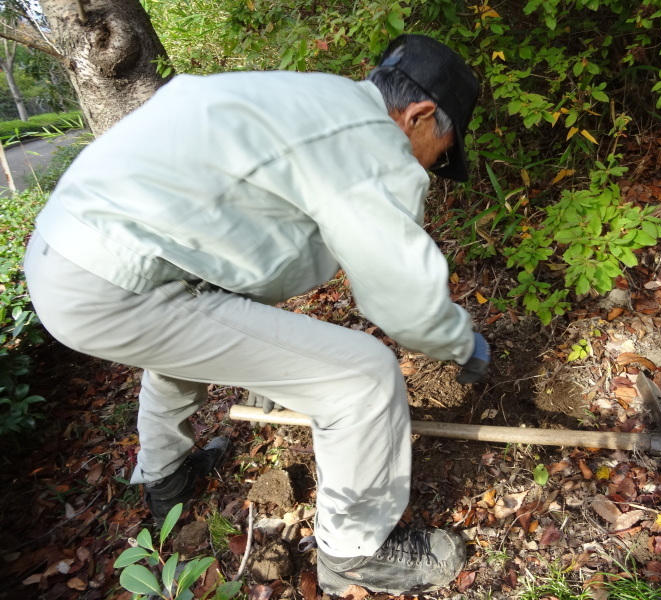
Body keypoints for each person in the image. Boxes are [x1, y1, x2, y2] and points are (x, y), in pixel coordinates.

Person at [23, 34, 490, 595]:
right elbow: (401, 295)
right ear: (420, 114)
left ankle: (164, 477)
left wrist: (264, 357)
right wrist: (459, 342)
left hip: (67, 252)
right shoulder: (369, 143)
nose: (431, 167)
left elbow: (250, 234)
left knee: (176, 346)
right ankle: (355, 556)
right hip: (109, 283)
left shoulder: (316, 102)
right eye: (439, 152)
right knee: (362, 378)